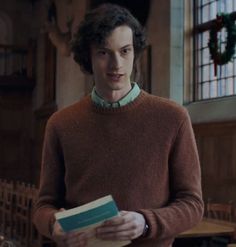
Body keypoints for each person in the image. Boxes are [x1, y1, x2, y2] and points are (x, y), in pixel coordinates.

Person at [33, 3, 203, 247]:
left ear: (135, 52)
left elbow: (192, 204)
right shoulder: (60, 124)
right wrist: (53, 224)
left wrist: (145, 222)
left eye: (125, 51)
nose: (117, 64)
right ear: (87, 57)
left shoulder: (173, 117)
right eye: (104, 52)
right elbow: (43, 205)